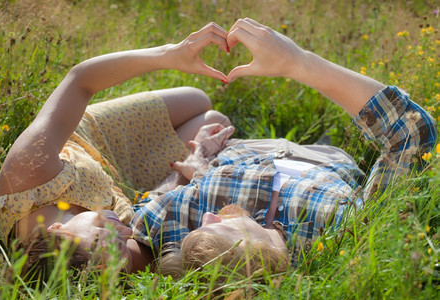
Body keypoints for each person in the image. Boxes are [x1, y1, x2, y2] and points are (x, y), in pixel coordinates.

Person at [128, 18, 437, 279]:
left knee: (207, 115)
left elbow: (132, 220)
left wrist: (192, 170)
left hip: (240, 151)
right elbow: (412, 132)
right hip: (323, 158)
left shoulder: (185, 216)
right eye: (209, 234)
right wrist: (297, 62)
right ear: (253, 261)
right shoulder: (345, 233)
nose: (207, 218)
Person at [0, 22, 233, 279]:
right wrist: (188, 169)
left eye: (105, 229)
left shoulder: (27, 174)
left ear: (59, 231)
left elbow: (80, 81)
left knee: (198, 99)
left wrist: (170, 54)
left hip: (92, 137)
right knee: (216, 122)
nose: (126, 234)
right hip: (125, 181)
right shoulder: (107, 261)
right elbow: (149, 215)